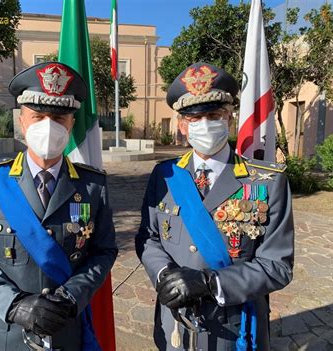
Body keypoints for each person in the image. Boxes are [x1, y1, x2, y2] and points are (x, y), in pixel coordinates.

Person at [0, 62, 118, 351]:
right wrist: (13, 304)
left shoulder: (92, 186)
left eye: (58, 117)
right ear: (22, 122)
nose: (48, 126)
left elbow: (104, 252)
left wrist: (72, 296)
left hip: (67, 328)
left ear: (71, 124)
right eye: (38, 116)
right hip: (8, 332)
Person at [136, 62, 294, 350]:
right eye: (193, 119)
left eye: (213, 115)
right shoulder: (165, 176)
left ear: (229, 118)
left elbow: (277, 265)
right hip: (176, 323)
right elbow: (149, 238)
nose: (204, 125)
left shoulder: (268, 180)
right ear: (182, 126)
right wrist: (164, 275)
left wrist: (212, 283)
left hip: (234, 328)